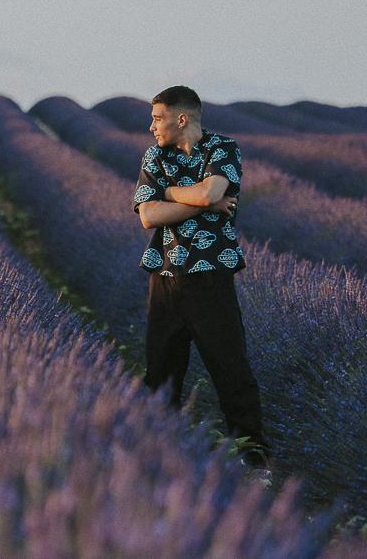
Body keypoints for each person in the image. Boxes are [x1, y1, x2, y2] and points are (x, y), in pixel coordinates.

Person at [133, 85, 269, 465]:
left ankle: (253, 457)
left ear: (182, 118)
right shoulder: (154, 155)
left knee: (231, 370)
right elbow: (149, 216)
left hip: (210, 277)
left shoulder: (223, 148)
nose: (151, 127)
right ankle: (158, 454)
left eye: (158, 118)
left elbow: (212, 193)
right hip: (164, 277)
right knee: (161, 374)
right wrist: (199, 201)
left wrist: (170, 194)